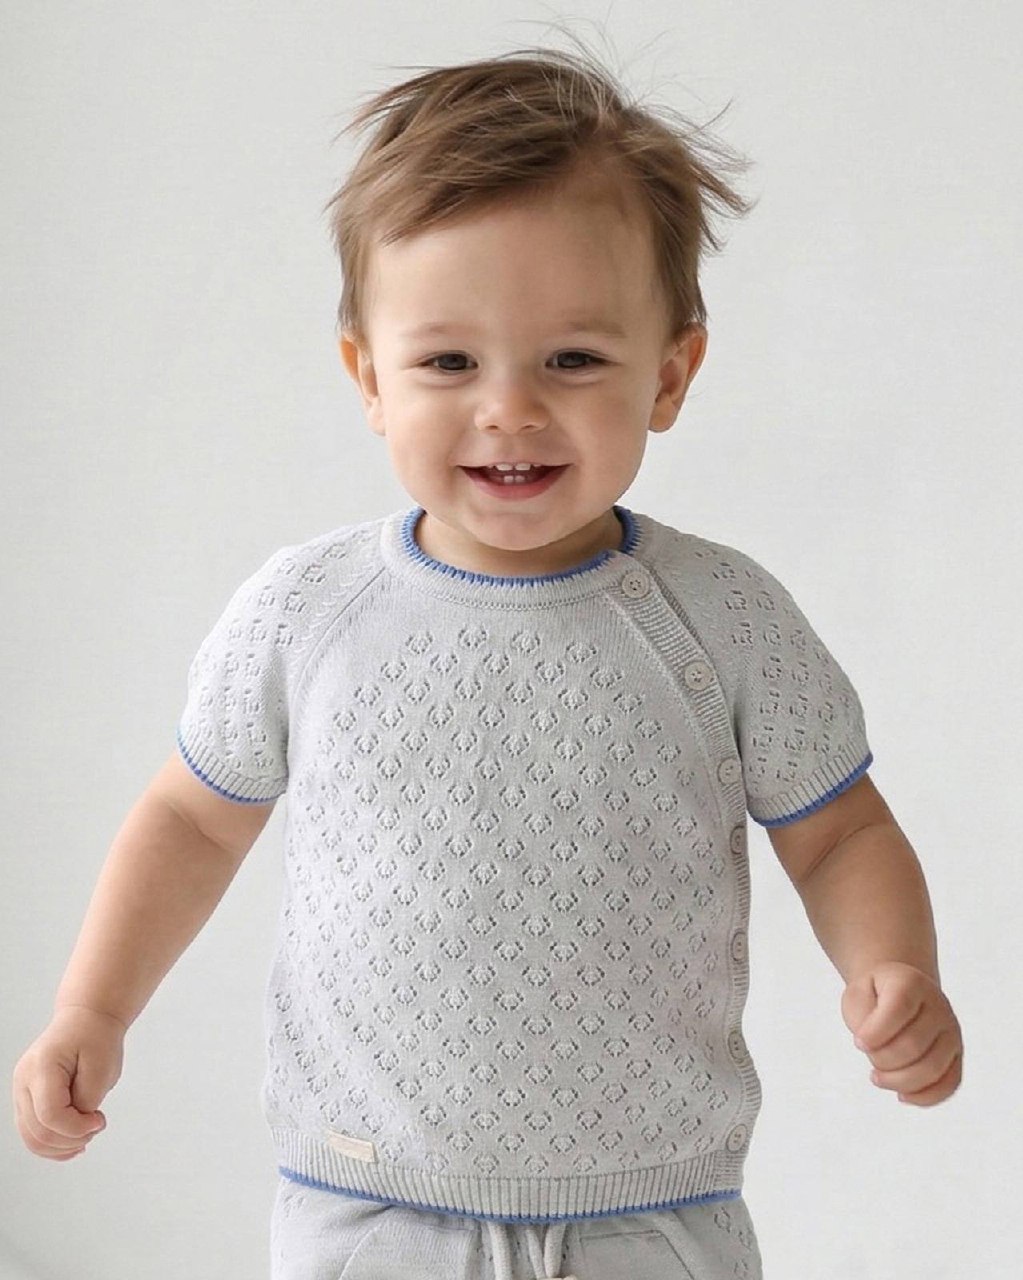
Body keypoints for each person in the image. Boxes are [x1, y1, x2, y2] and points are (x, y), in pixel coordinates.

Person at [12, 38, 963, 1280]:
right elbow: (193, 820)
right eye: (449, 362)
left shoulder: (724, 618)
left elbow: (837, 830)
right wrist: (92, 1008)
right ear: (369, 376)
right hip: (368, 1201)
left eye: (573, 358)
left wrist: (894, 964)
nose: (508, 407)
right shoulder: (308, 612)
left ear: (671, 372)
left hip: (652, 1206)